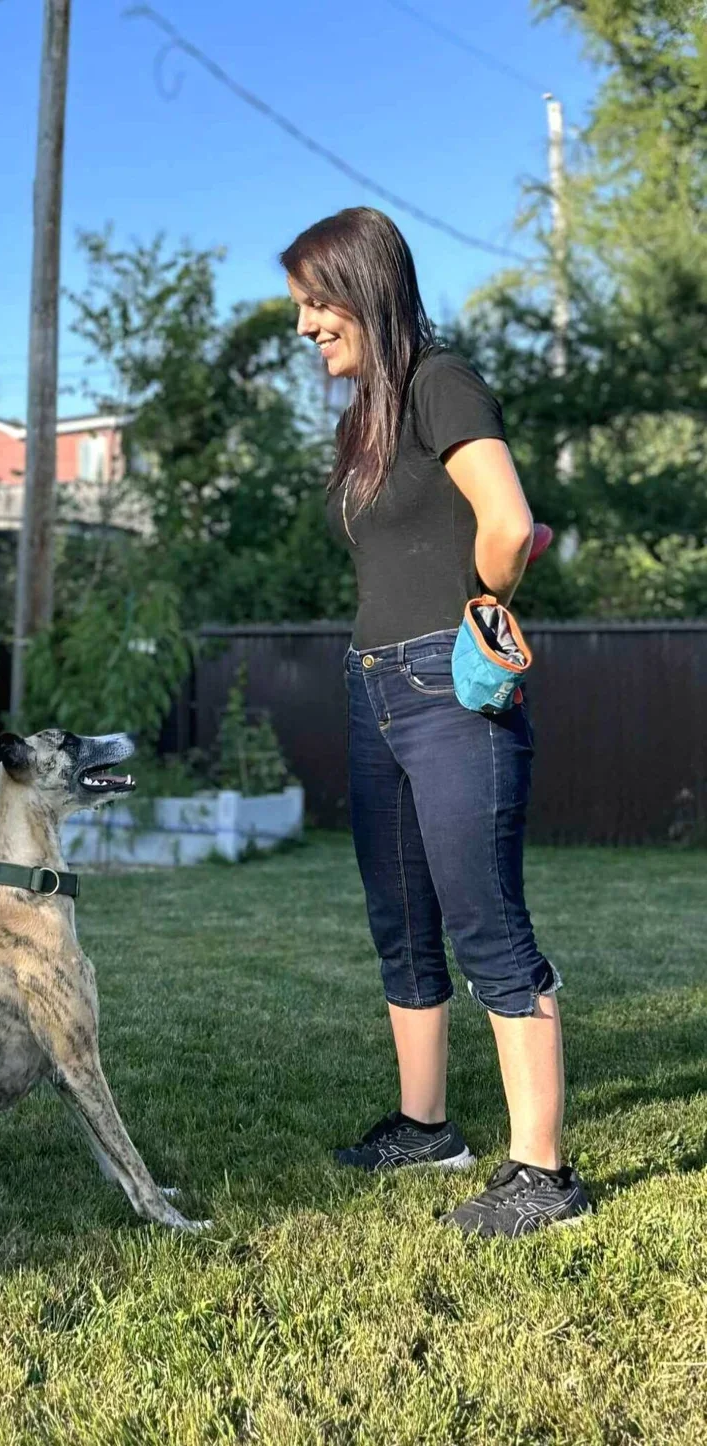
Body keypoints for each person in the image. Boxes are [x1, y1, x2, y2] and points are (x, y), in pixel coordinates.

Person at [282, 206, 590, 1236]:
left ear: (363, 289)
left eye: (314, 303)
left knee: (485, 921)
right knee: (402, 919)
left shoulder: (439, 383)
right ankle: (426, 1128)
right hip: (377, 684)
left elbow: (505, 523)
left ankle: (543, 1175)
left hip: (446, 688)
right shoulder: (368, 415)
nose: (302, 326)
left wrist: (493, 590)